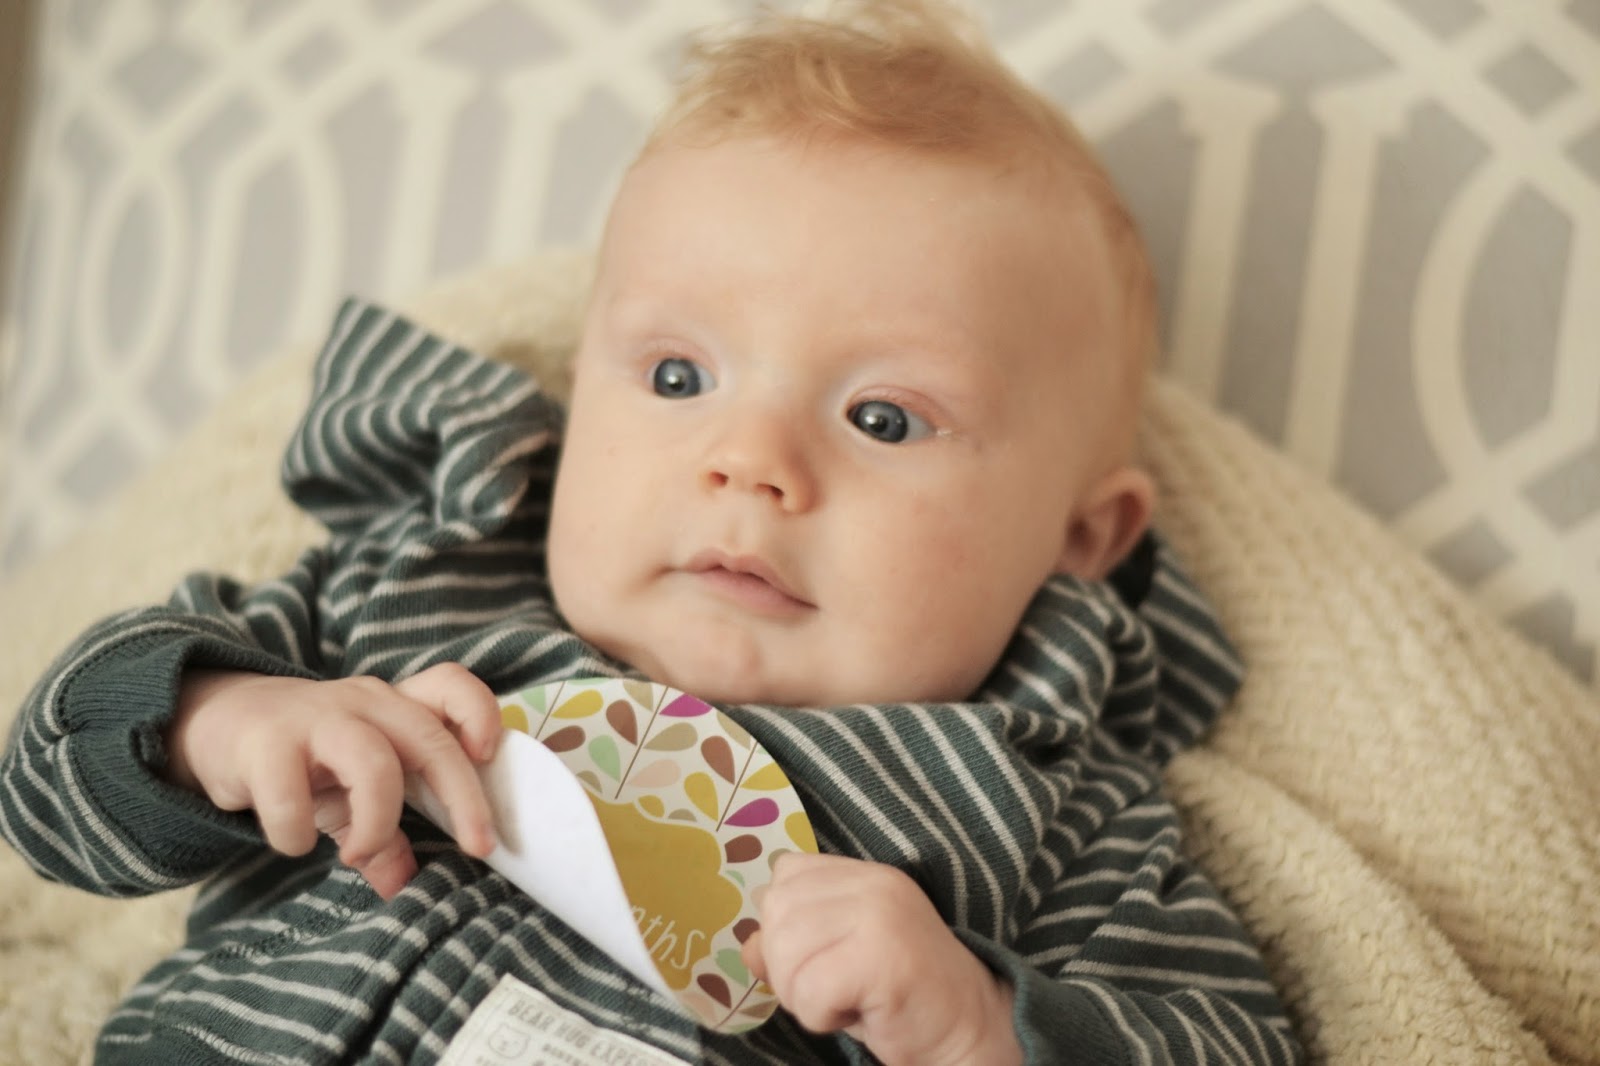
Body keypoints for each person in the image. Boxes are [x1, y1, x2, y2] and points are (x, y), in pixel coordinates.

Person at [0, 2, 1302, 1063]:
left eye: (885, 417)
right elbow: (45, 782)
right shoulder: (416, 587)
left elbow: (1230, 1042)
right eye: (679, 377)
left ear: (1082, 538)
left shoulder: (1050, 806)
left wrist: (976, 1025)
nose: (751, 462)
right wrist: (221, 725)